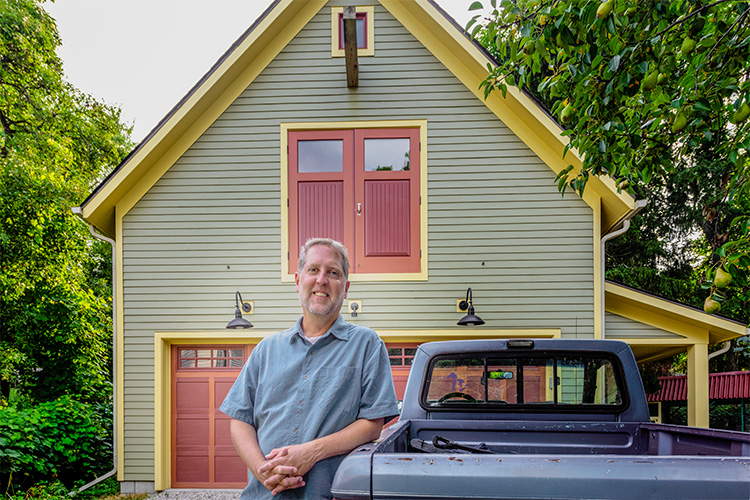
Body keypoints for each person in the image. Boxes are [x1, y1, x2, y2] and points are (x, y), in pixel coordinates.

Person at [220, 238, 399, 499]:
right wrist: (263, 472)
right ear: (297, 280)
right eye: (313, 270)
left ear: (346, 288)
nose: (322, 280)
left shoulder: (366, 344)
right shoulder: (266, 349)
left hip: (327, 494)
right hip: (263, 495)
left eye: (333, 272)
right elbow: (240, 420)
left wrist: (310, 453)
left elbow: (372, 424)